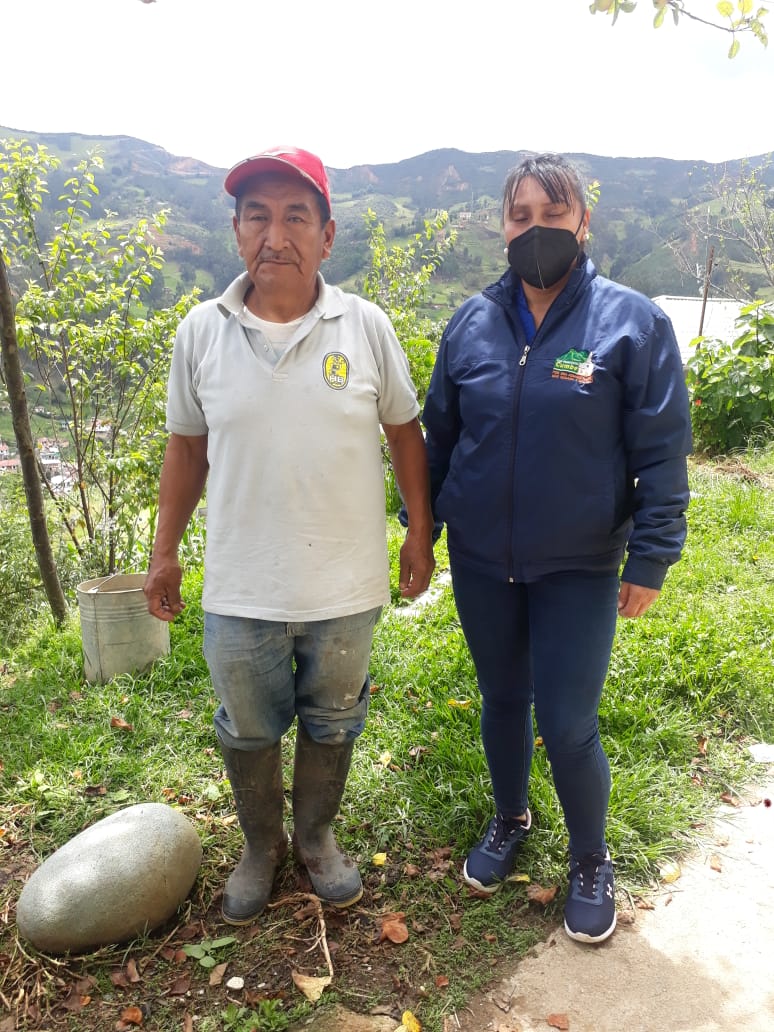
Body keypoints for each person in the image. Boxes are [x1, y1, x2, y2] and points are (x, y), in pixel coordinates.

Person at [144, 145, 435, 925]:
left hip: (346, 583)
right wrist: (164, 552)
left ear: (327, 236)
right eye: (258, 216)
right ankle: (260, 846)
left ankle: (316, 838)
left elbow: (405, 432)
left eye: (296, 217)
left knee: (335, 718)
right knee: (247, 727)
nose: (276, 235)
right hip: (242, 584)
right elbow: (186, 449)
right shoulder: (201, 332)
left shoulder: (365, 326)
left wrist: (419, 531)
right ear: (237, 230)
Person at [422, 152, 691, 944]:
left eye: (552, 214)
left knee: (569, 721)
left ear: (583, 222)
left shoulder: (632, 323)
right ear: (501, 225)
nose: (535, 229)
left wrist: (652, 555)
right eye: (520, 216)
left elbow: (661, 450)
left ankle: (590, 858)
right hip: (482, 559)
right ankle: (511, 817)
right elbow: (440, 439)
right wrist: (419, 530)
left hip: (579, 562)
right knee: (503, 699)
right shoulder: (470, 324)